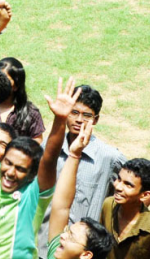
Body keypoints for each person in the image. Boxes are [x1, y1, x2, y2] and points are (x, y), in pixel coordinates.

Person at [0, 64, 81, 257]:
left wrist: (60, 120)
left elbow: (49, 159)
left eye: (20, 169)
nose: (11, 172)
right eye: (8, 163)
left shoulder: (33, 195)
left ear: (31, 174)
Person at [38, 85, 126, 257]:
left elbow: (140, 187)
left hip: (82, 249)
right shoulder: (49, 147)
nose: (79, 120)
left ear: (96, 119)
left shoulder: (109, 158)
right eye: (74, 112)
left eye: (86, 115)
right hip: (45, 243)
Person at [46, 120, 116, 259]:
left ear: (86, 254)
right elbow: (61, 207)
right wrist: (74, 154)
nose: (62, 236)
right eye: (67, 231)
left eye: (71, 236)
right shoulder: (55, 253)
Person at [0, 57, 45, 142]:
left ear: (16, 86)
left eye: (5, 80)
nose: (0, 83)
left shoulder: (30, 113)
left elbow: (37, 140)